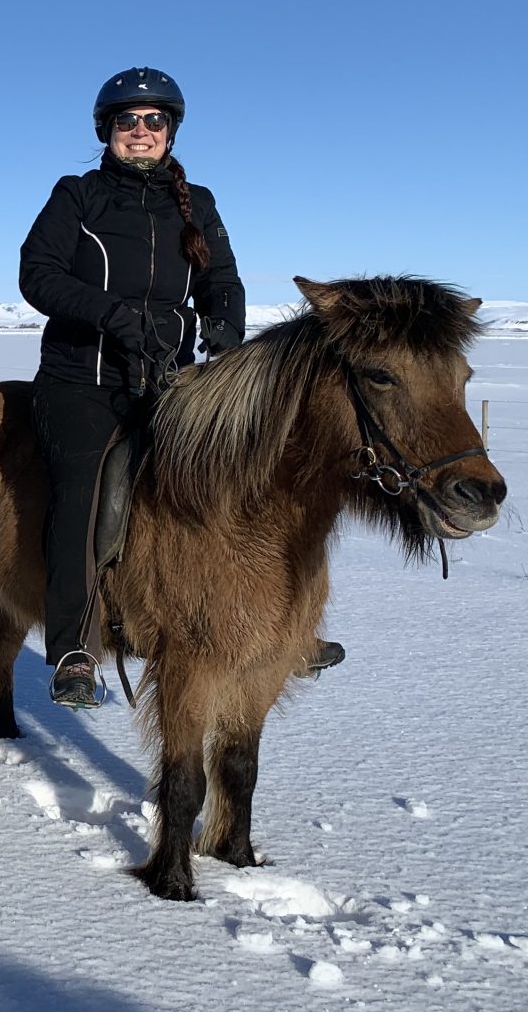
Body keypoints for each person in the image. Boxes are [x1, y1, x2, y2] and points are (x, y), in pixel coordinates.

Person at [20, 67, 344, 709]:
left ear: (170, 131)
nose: (140, 132)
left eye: (153, 121)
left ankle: (284, 626)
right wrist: (113, 315)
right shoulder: (76, 196)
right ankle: (74, 648)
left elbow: (223, 281)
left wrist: (224, 335)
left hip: (170, 379)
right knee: (86, 495)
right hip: (82, 380)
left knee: (249, 477)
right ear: (105, 131)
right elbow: (39, 275)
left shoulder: (198, 201)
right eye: (127, 122)